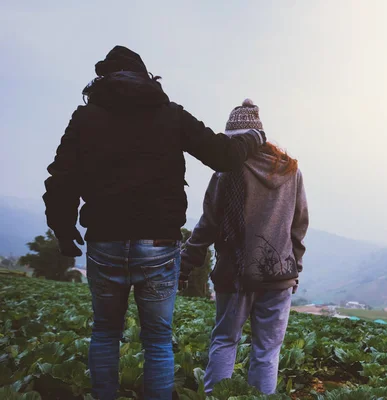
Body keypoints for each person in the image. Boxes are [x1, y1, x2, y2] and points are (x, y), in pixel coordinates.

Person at [42, 46, 267, 400]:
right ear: (147, 78)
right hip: (159, 245)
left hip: (104, 240)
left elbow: (61, 179)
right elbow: (222, 156)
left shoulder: (86, 118)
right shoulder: (171, 115)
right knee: (158, 339)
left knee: (105, 332)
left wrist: (64, 230)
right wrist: (253, 138)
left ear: (102, 80)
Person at [181, 99, 309, 395]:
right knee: (267, 351)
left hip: (235, 273)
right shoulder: (291, 172)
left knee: (226, 340)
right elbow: (298, 226)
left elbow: (208, 225)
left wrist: (186, 263)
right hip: (279, 274)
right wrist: (295, 267)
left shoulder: (226, 173)